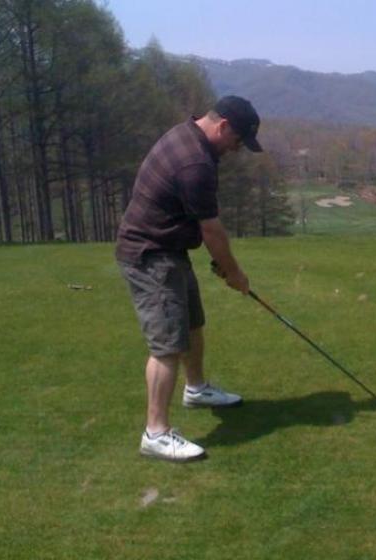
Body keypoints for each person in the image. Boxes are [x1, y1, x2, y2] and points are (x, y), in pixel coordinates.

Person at [116, 96, 263, 462]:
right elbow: (212, 231)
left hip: (170, 248)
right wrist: (235, 274)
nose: (236, 149)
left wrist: (226, 268)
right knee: (166, 345)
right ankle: (156, 433)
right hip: (150, 254)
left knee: (192, 324)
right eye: (238, 140)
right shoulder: (195, 161)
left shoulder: (187, 134)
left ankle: (195, 389)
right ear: (223, 125)